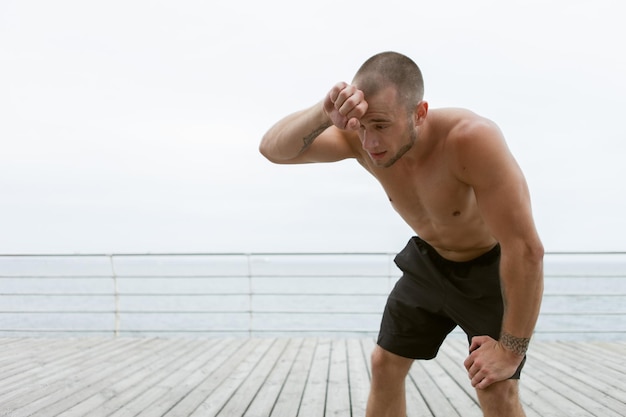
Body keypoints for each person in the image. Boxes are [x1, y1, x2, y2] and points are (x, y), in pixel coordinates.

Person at [259, 51, 544, 417]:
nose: (369, 142)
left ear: (419, 113)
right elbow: (273, 150)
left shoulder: (470, 138)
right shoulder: (357, 138)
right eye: (361, 126)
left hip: (490, 270)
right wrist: (323, 110)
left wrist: (510, 352)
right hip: (429, 262)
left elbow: (525, 249)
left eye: (381, 125)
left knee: (495, 389)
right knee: (384, 365)